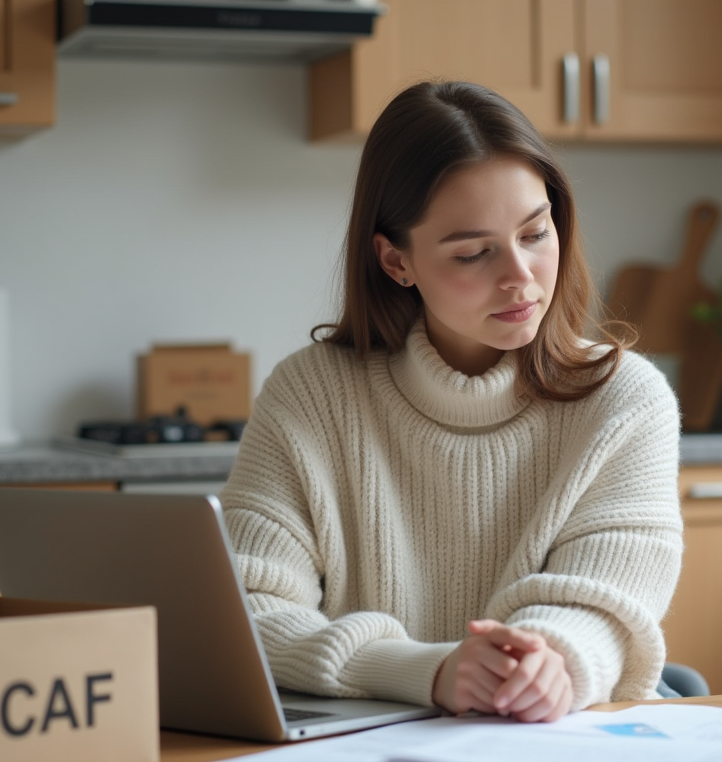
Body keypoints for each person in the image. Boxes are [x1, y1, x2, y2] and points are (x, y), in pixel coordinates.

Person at [220, 80, 682, 724]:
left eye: (536, 232)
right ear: (395, 260)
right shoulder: (310, 398)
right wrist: (429, 671)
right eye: (473, 252)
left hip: (559, 747)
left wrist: (548, 662)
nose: (519, 275)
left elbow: (606, 605)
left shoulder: (625, 399)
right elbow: (247, 612)